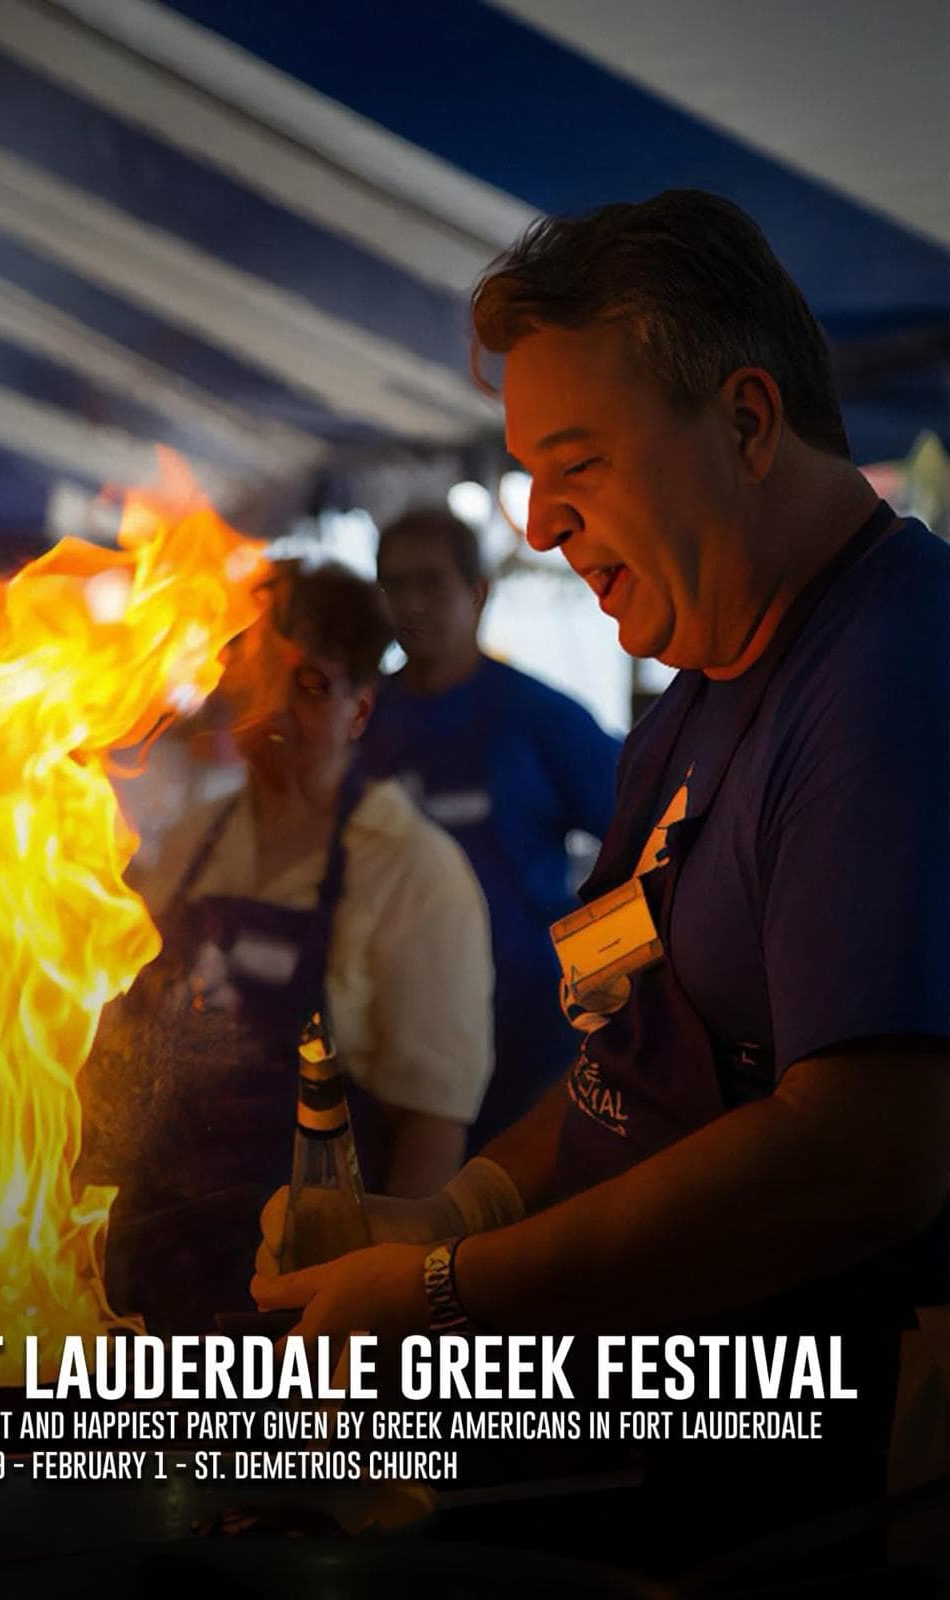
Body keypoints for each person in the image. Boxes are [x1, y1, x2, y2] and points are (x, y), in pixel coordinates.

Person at [254, 191, 950, 1566]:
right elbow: (616, 1060)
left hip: (840, 1479)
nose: (539, 519)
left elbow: (866, 1152)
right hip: (664, 1454)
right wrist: (451, 1210)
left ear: (748, 422)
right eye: (524, 469)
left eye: (576, 462)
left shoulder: (888, 683)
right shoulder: (694, 695)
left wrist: (452, 1290)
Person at [92, 561, 493, 1333]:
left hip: (302, 1289)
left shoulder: (411, 869)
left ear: (360, 710)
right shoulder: (186, 843)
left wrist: (385, 1303)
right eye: (261, 679)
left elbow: (432, 1124)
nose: (275, 708)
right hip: (148, 1262)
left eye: (312, 685)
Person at [362, 507, 621, 1147]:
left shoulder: (537, 717)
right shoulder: (359, 723)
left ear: (478, 591)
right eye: (394, 585)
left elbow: (652, 838)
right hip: (394, 1041)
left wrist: (602, 971)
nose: (410, 604)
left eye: (430, 583)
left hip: (529, 1037)